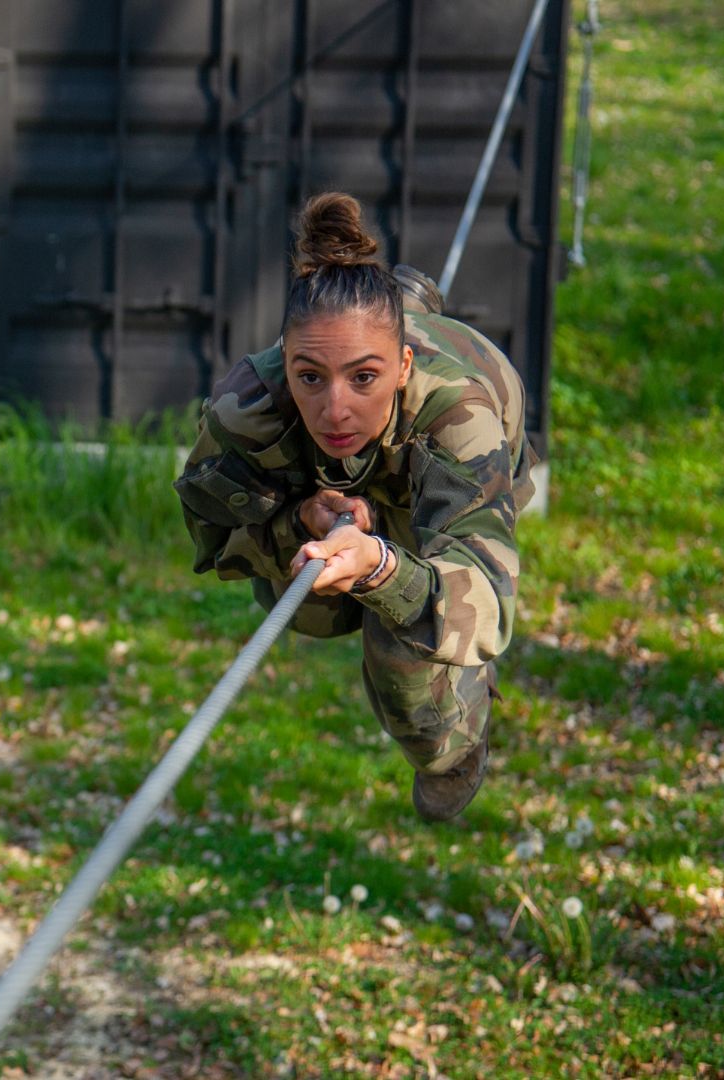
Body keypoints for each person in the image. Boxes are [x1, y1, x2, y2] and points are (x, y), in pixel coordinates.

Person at [173, 191, 536, 822]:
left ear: (399, 368)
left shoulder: (463, 418)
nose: (333, 409)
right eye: (308, 377)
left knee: (398, 645)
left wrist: (381, 569)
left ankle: (453, 753)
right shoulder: (247, 407)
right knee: (313, 613)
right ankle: (401, 307)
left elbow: (491, 604)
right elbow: (212, 539)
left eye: (362, 378)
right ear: (284, 365)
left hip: (447, 453)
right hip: (353, 473)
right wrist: (294, 523)